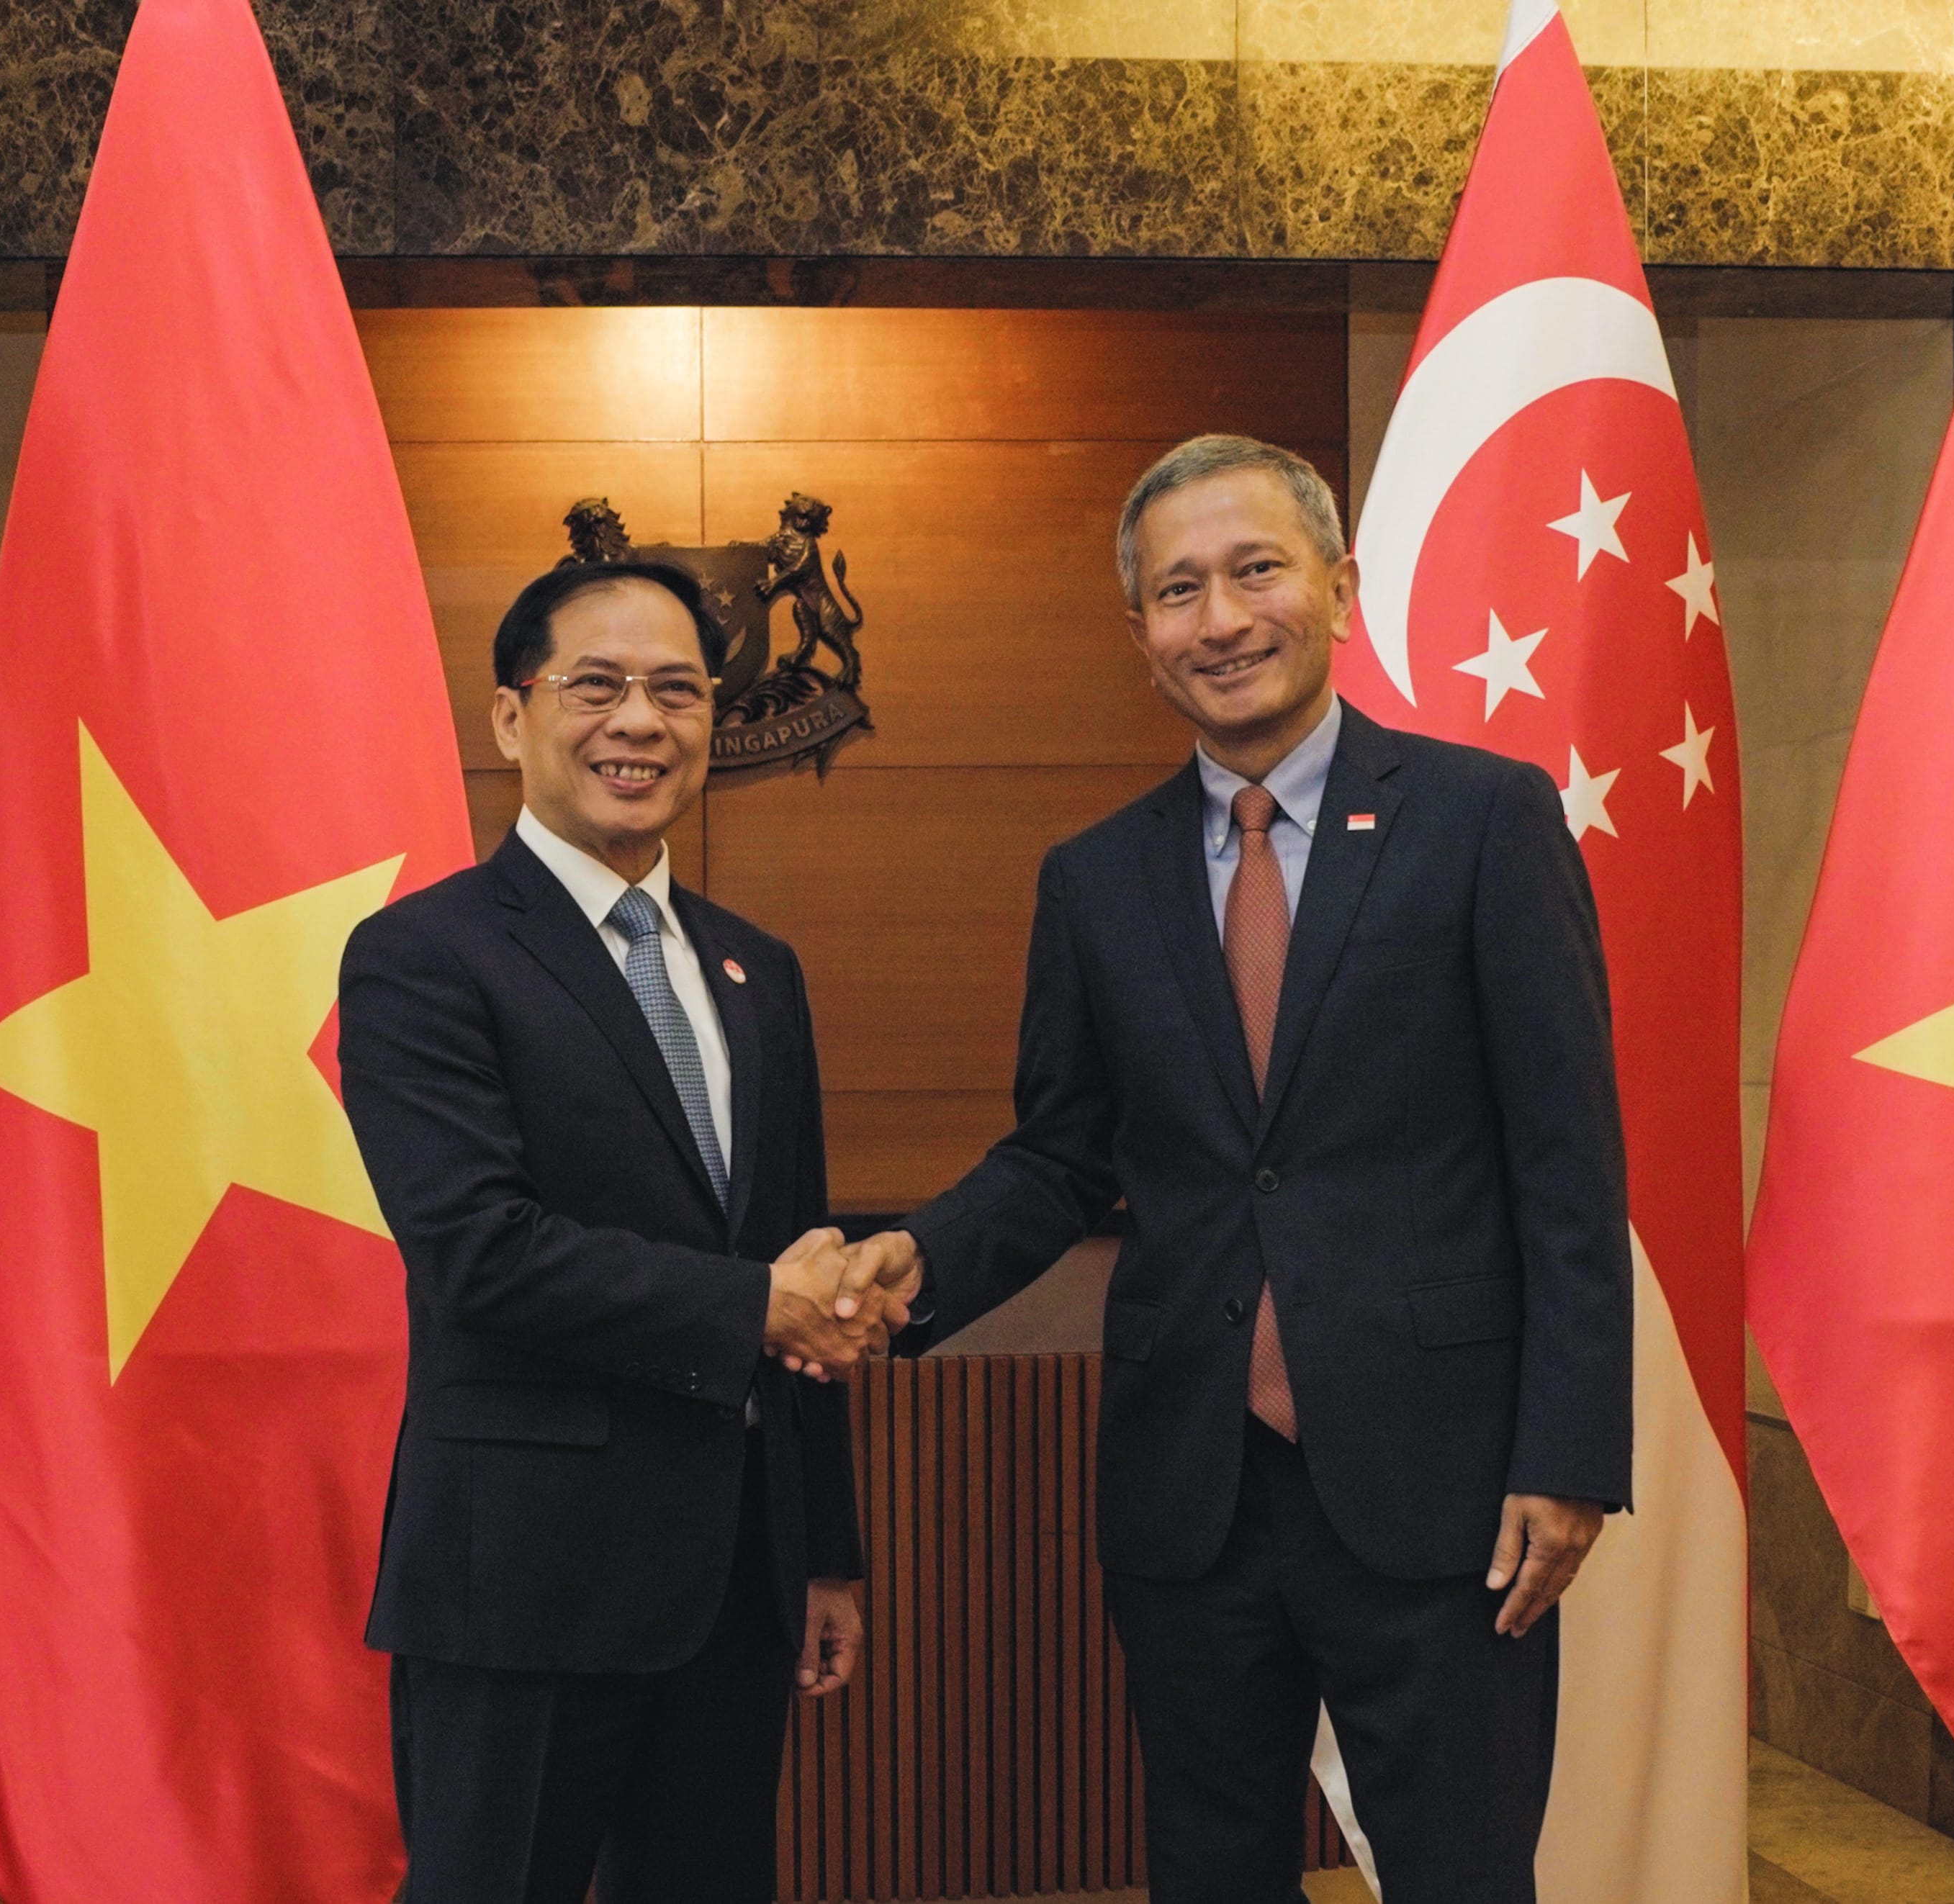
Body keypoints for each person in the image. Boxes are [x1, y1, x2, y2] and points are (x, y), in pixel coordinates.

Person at [834, 434, 1634, 1903]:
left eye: (1255, 570)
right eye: (1177, 589)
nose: (1220, 619)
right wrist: (920, 1261)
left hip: (1445, 1486)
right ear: (1139, 632)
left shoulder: (1485, 820)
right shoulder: (1095, 877)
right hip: (1192, 1489)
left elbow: (1569, 1164)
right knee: (1209, 1870)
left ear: (1338, 586)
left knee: (1463, 1873)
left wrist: (1569, 1454)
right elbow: (1061, 1156)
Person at [337, 559, 905, 1904]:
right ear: (511, 716)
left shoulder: (759, 970)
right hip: (522, 1579)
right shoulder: (423, 954)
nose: (638, 722)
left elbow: (799, 1259)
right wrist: (753, 1305)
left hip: (734, 1583)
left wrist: (823, 1547)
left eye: (676, 691)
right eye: (596, 686)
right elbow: (479, 1249)